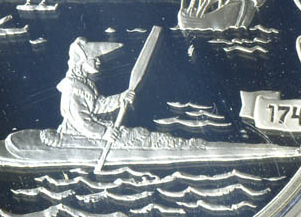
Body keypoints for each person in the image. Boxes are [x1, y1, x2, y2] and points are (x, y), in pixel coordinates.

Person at [53, 36, 207, 149]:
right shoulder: (72, 88)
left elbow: (98, 105)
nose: (98, 61)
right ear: (81, 63)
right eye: (94, 58)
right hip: (78, 135)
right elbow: (81, 122)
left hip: (93, 130)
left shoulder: (85, 84)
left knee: (136, 134)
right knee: (133, 138)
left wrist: (121, 97)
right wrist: (104, 133)